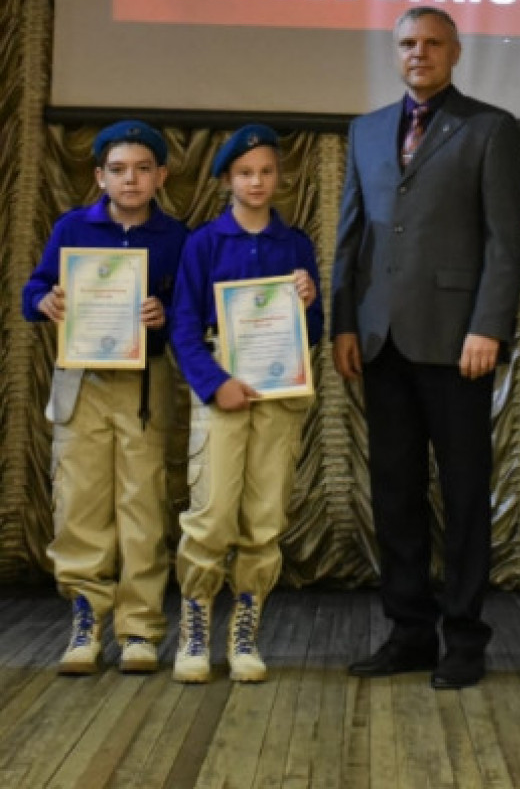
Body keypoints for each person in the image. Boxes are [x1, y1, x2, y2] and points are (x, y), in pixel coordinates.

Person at [332, 6, 520, 690]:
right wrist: (344, 323)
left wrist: (489, 325)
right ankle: (409, 632)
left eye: (433, 43)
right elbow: (351, 233)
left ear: (455, 53)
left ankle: (465, 638)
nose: (420, 53)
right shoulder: (366, 130)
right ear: (396, 53)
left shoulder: (489, 128)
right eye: (408, 43)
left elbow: (505, 239)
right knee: (395, 492)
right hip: (381, 337)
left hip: (458, 340)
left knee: (466, 492)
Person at [21, 120, 188, 674]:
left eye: (142, 169)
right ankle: (86, 620)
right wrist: (44, 301)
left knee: (143, 505)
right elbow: (34, 287)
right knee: (80, 502)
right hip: (82, 379)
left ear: (161, 176)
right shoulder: (73, 227)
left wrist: (164, 315)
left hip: (145, 382)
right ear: (99, 177)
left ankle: (140, 627)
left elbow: (191, 312)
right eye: (118, 170)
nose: (130, 179)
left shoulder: (176, 237)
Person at [170, 124, 323, 684]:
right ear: (227, 181)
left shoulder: (295, 244)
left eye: (265, 172)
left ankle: (245, 634)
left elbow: (313, 331)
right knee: (211, 514)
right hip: (224, 392)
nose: (256, 182)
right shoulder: (204, 243)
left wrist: (308, 301)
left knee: (264, 518)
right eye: (244, 173)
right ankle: (194, 633)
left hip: (279, 396)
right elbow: (184, 326)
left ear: (279, 177)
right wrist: (214, 384)